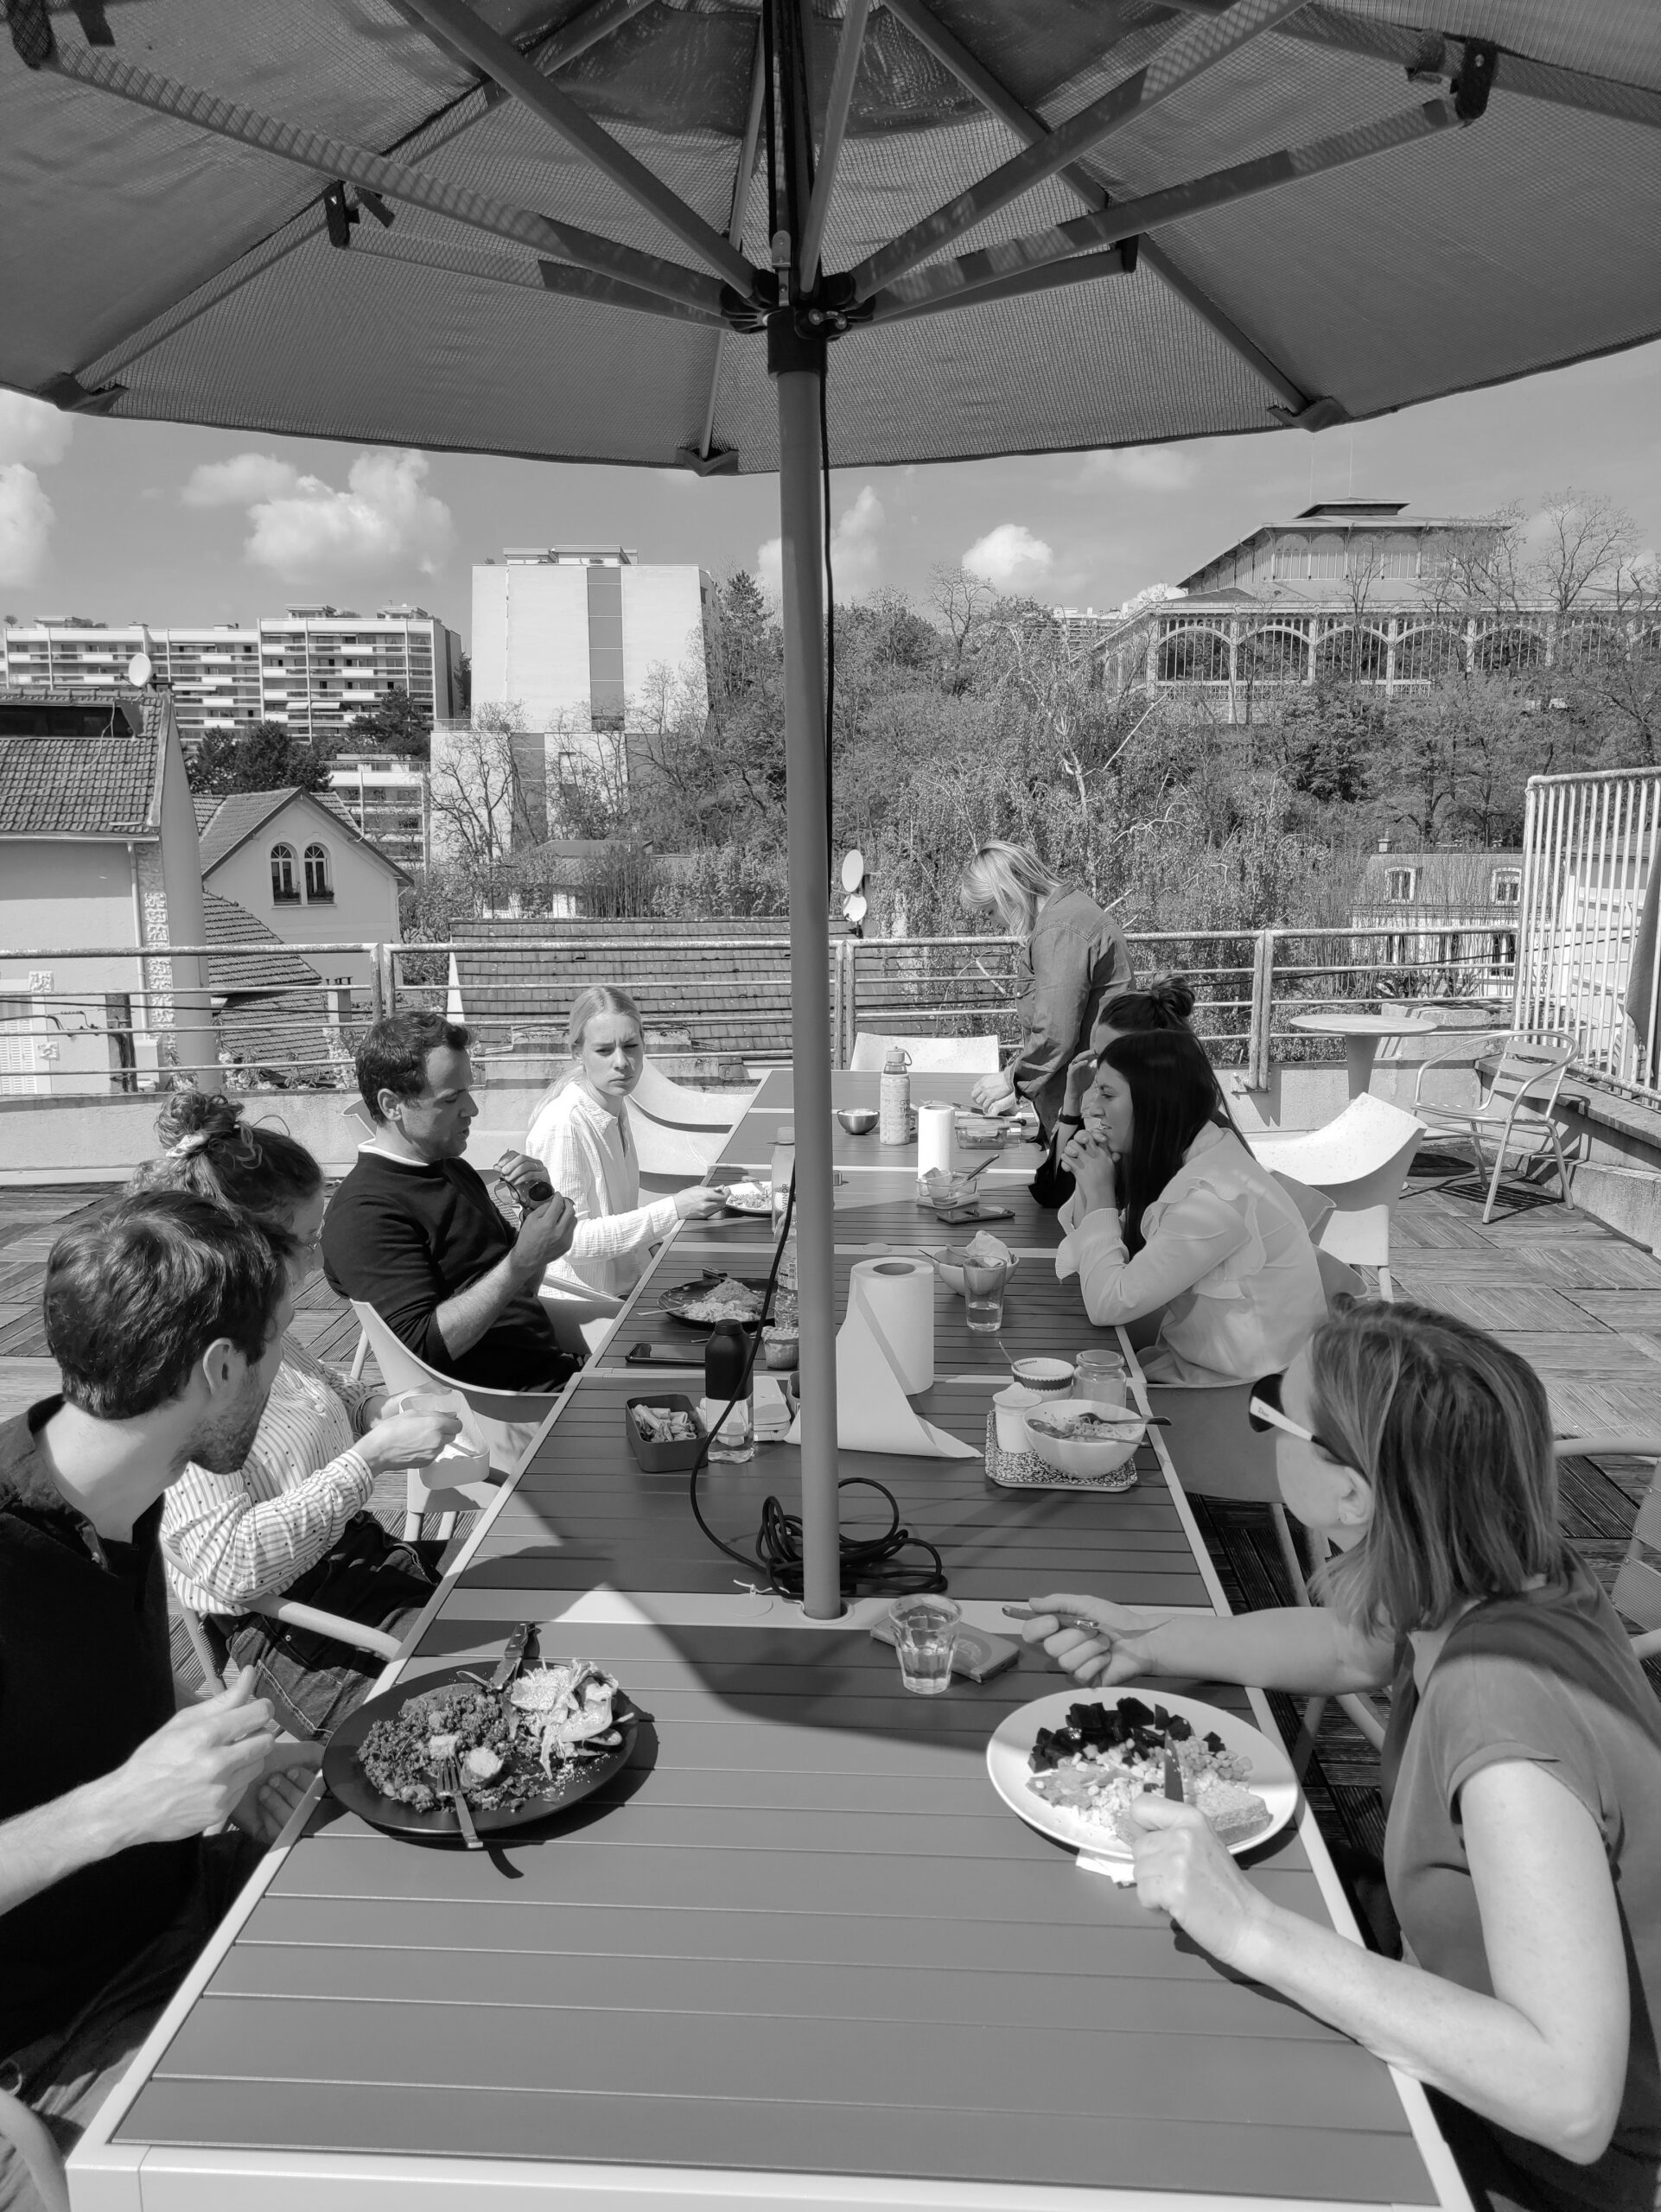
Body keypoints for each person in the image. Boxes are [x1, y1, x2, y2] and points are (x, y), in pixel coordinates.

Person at [1016, 1303, 1661, 2212]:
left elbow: (1568, 2096)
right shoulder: (1504, 1574)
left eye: (1267, 1408)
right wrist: (1150, 1640)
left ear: (1350, 1493)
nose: (1260, 1417)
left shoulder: (1500, 1708)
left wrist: (1248, 1925)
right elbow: (1351, 1648)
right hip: (1441, 2034)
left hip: (1516, 2163)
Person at [0, 1192, 321, 2209]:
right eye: (277, 1349)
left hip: (183, 1901)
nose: (287, 1375)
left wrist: (213, 1755)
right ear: (220, 1370)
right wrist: (126, 1803)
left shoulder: (119, 1496)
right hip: (57, 2038)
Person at [133, 1093, 467, 1738]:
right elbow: (232, 1568)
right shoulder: (181, 1377)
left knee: (534, 1607)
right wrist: (370, 1460)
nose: (319, 1260)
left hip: (363, 1559)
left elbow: (327, 1389)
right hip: (291, 1626)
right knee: (463, 1726)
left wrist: (374, 1406)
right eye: (309, 1241)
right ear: (242, 1247)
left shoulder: (261, 1327)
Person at [321, 1011, 581, 1393]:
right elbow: (422, 1351)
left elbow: (518, 1291)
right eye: (451, 1098)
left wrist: (535, 1218)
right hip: (507, 1412)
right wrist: (521, 1259)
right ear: (393, 1105)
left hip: (556, 1375)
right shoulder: (365, 1213)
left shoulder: (452, 1169)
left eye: (469, 1091)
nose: (472, 1110)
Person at [1057, 1025, 1326, 1384]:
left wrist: (1102, 1196)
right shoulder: (1191, 1154)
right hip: (1192, 1366)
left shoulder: (1214, 1198)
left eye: (1106, 1094)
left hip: (1237, 1399)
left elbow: (1107, 1304)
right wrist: (1091, 1181)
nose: (1092, 1107)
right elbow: (1082, 1263)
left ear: (1155, 1101)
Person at [525, 985, 727, 1300]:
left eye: (631, 1046)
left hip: (619, 1292)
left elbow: (618, 1216)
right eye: (604, 1050)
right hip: (583, 1312)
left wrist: (657, 1244)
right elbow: (573, 1241)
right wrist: (674, 1209)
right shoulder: (564, 1125)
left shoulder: (614, 1106)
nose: (622, 1062)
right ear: (577, 1052)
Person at [959, 841, 1135, 1139]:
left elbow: (1056, 1033)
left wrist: (1012, 1080)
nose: (996, 923)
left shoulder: (1059, 930)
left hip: (1090, 1115)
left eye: (990, 912)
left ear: (1007, 893)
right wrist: (1021, 1092)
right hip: (1090, 1104)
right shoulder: (1070, 912)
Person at [1035, 973, 1198, 1210]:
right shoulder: (1135, 1123)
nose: (1100, 1070)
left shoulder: (1190, 1151)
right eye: (1099, 1057)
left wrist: (1101, 1195)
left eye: (1112, 1057)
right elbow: (1054, 1193)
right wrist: (1072, 1098)